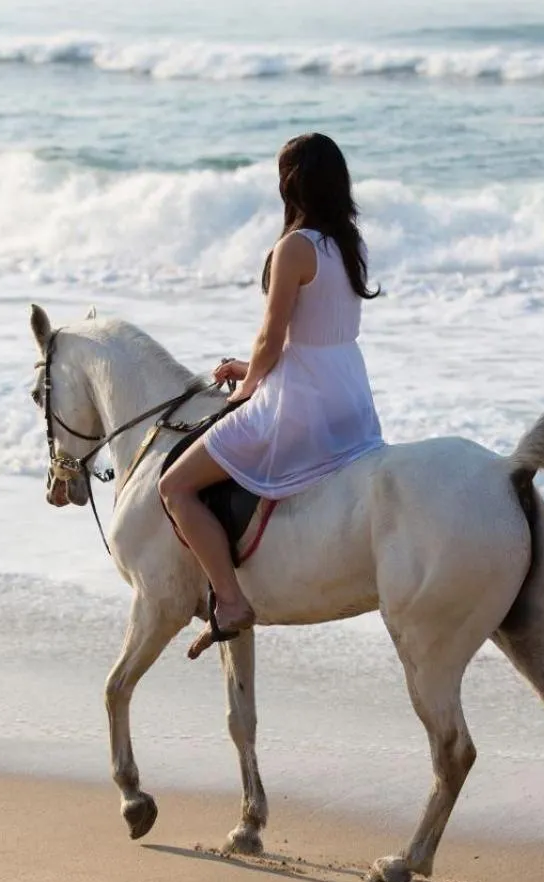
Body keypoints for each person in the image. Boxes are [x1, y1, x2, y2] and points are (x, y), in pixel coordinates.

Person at [158, 132, 386, 641]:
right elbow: (318, 337)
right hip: (348, 396)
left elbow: (272, 335)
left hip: (300, 402)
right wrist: (250, 366)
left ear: (292, 184)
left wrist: (249, 385)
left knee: (174, 486)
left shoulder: (294, 247)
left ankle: (232, 600)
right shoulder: (350, 243)